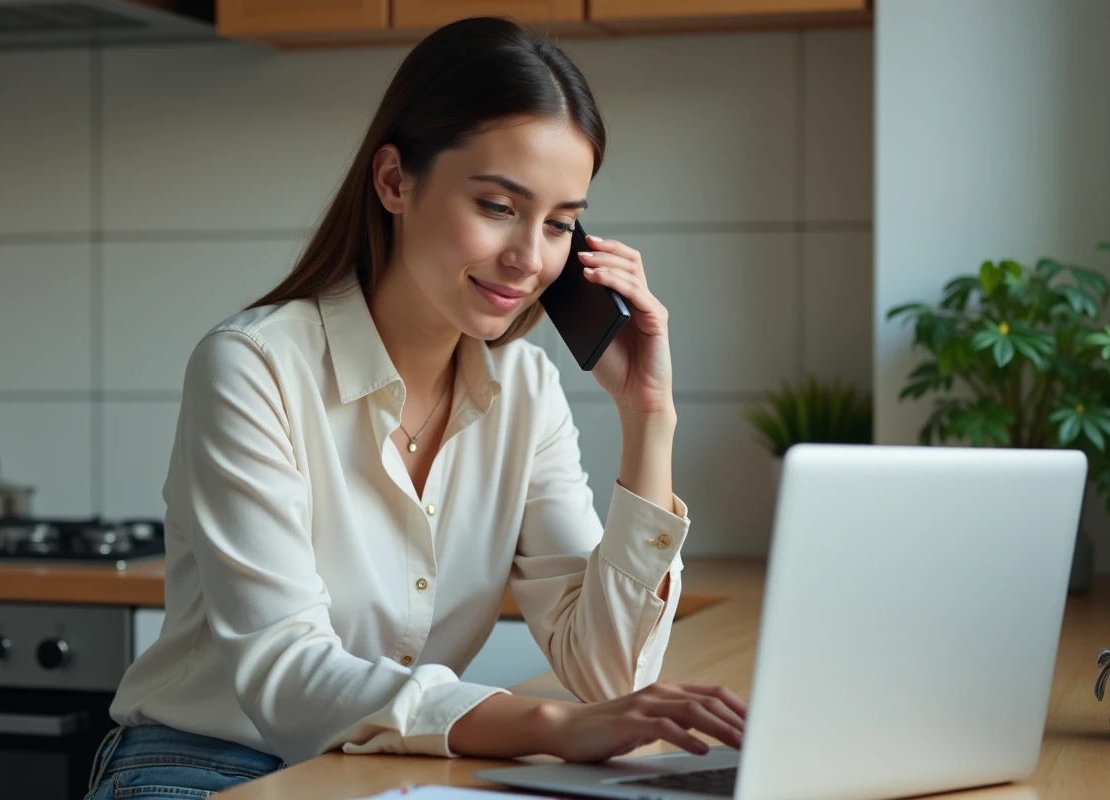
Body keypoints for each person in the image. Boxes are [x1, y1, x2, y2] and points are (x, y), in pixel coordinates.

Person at [83, 15, 748, 800]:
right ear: (395, 181)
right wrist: (550, 726)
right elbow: (285, 674)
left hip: (381, 768)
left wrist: (649, 417)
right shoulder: (253, 366)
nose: (529, 258)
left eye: (561, 223)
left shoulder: (526, 392)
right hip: (200, 764)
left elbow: (609, 676)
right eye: (497, 206)